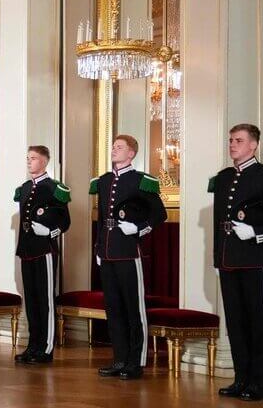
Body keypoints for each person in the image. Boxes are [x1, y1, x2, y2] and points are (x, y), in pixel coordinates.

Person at [211, 124, 263, 401]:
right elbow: (217, 223)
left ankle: (259, 382)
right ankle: (241, 378)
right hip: (229, 259)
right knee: (235, 322)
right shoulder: (223, 178)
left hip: (257, 259)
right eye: (230, 140)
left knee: (258, 321)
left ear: (253, 145)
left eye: (238, 140)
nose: (232, 144)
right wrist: (217, 257)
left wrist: (258, 233)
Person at [92, 135, 167, 380]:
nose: (114, 150)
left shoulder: (141, 181)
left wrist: (139, 229)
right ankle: (120, 359)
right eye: (112, 146)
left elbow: (159, 214)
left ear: (131, 153)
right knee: (113, 309)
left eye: (119, 147)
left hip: (128, 251)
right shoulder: (103, 181)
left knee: (134, 309)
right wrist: (98, 249)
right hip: (107, 252)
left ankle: (136, 361)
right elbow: (102, 220)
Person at [13, 146, 71, 364]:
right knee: (31, 299)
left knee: (45, 299)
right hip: (27, 249)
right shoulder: (25, 188)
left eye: (34, 158)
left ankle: (45, 348)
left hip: (44, 249)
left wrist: (49, 232)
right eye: (28, 158)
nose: (29, 162)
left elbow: (65, 222)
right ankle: (32, 346)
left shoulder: (54, 188)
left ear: (45, 161)